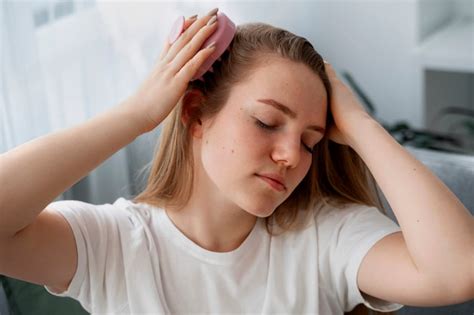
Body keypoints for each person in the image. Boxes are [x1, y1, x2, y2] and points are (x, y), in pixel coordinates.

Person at [0, 7, 472, 315]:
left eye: (311, 141)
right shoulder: (114, 245)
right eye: (268, 122)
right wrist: (138, 114)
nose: (291, 155)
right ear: (194, 113)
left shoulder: (327, 236)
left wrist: (361, 126)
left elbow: (457, 273)